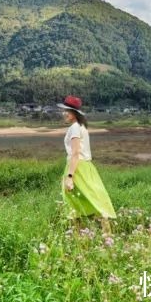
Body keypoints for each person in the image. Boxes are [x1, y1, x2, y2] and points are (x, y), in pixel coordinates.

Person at [58, 95, 115, 232]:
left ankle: (81, 234)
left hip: (78, 167)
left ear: (75, 113)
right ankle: (99, 234)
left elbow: (75, 153)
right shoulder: (81, 127)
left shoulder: (75, 128)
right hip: (85, 166)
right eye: (64, 110)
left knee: (75, 200)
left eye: (68, 111)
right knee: (91, 197)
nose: (64, 113)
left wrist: (70, 176)